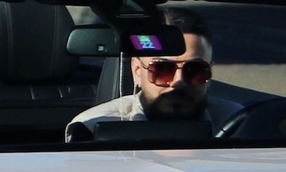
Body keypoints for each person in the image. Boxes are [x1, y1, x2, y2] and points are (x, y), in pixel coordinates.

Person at [68, 10, 234, 135]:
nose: (178, 81)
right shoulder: (93, 129)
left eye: (195, 70)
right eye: (163, 69)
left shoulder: (240, 125)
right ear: (137, 71)